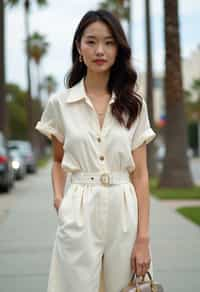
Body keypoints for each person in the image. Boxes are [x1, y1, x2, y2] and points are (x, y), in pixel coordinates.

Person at [35, 9, 156, 292]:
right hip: (78, 208)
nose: (100, 50)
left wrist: (143, 239)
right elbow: (57, 160)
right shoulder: (60, 104)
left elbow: (140, 176)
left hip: (124, 209)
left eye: (109, 42)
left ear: (118, 50)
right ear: (79, 47)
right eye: (91, 41)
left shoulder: (134, 104)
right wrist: (59, 199)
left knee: (125, 287)